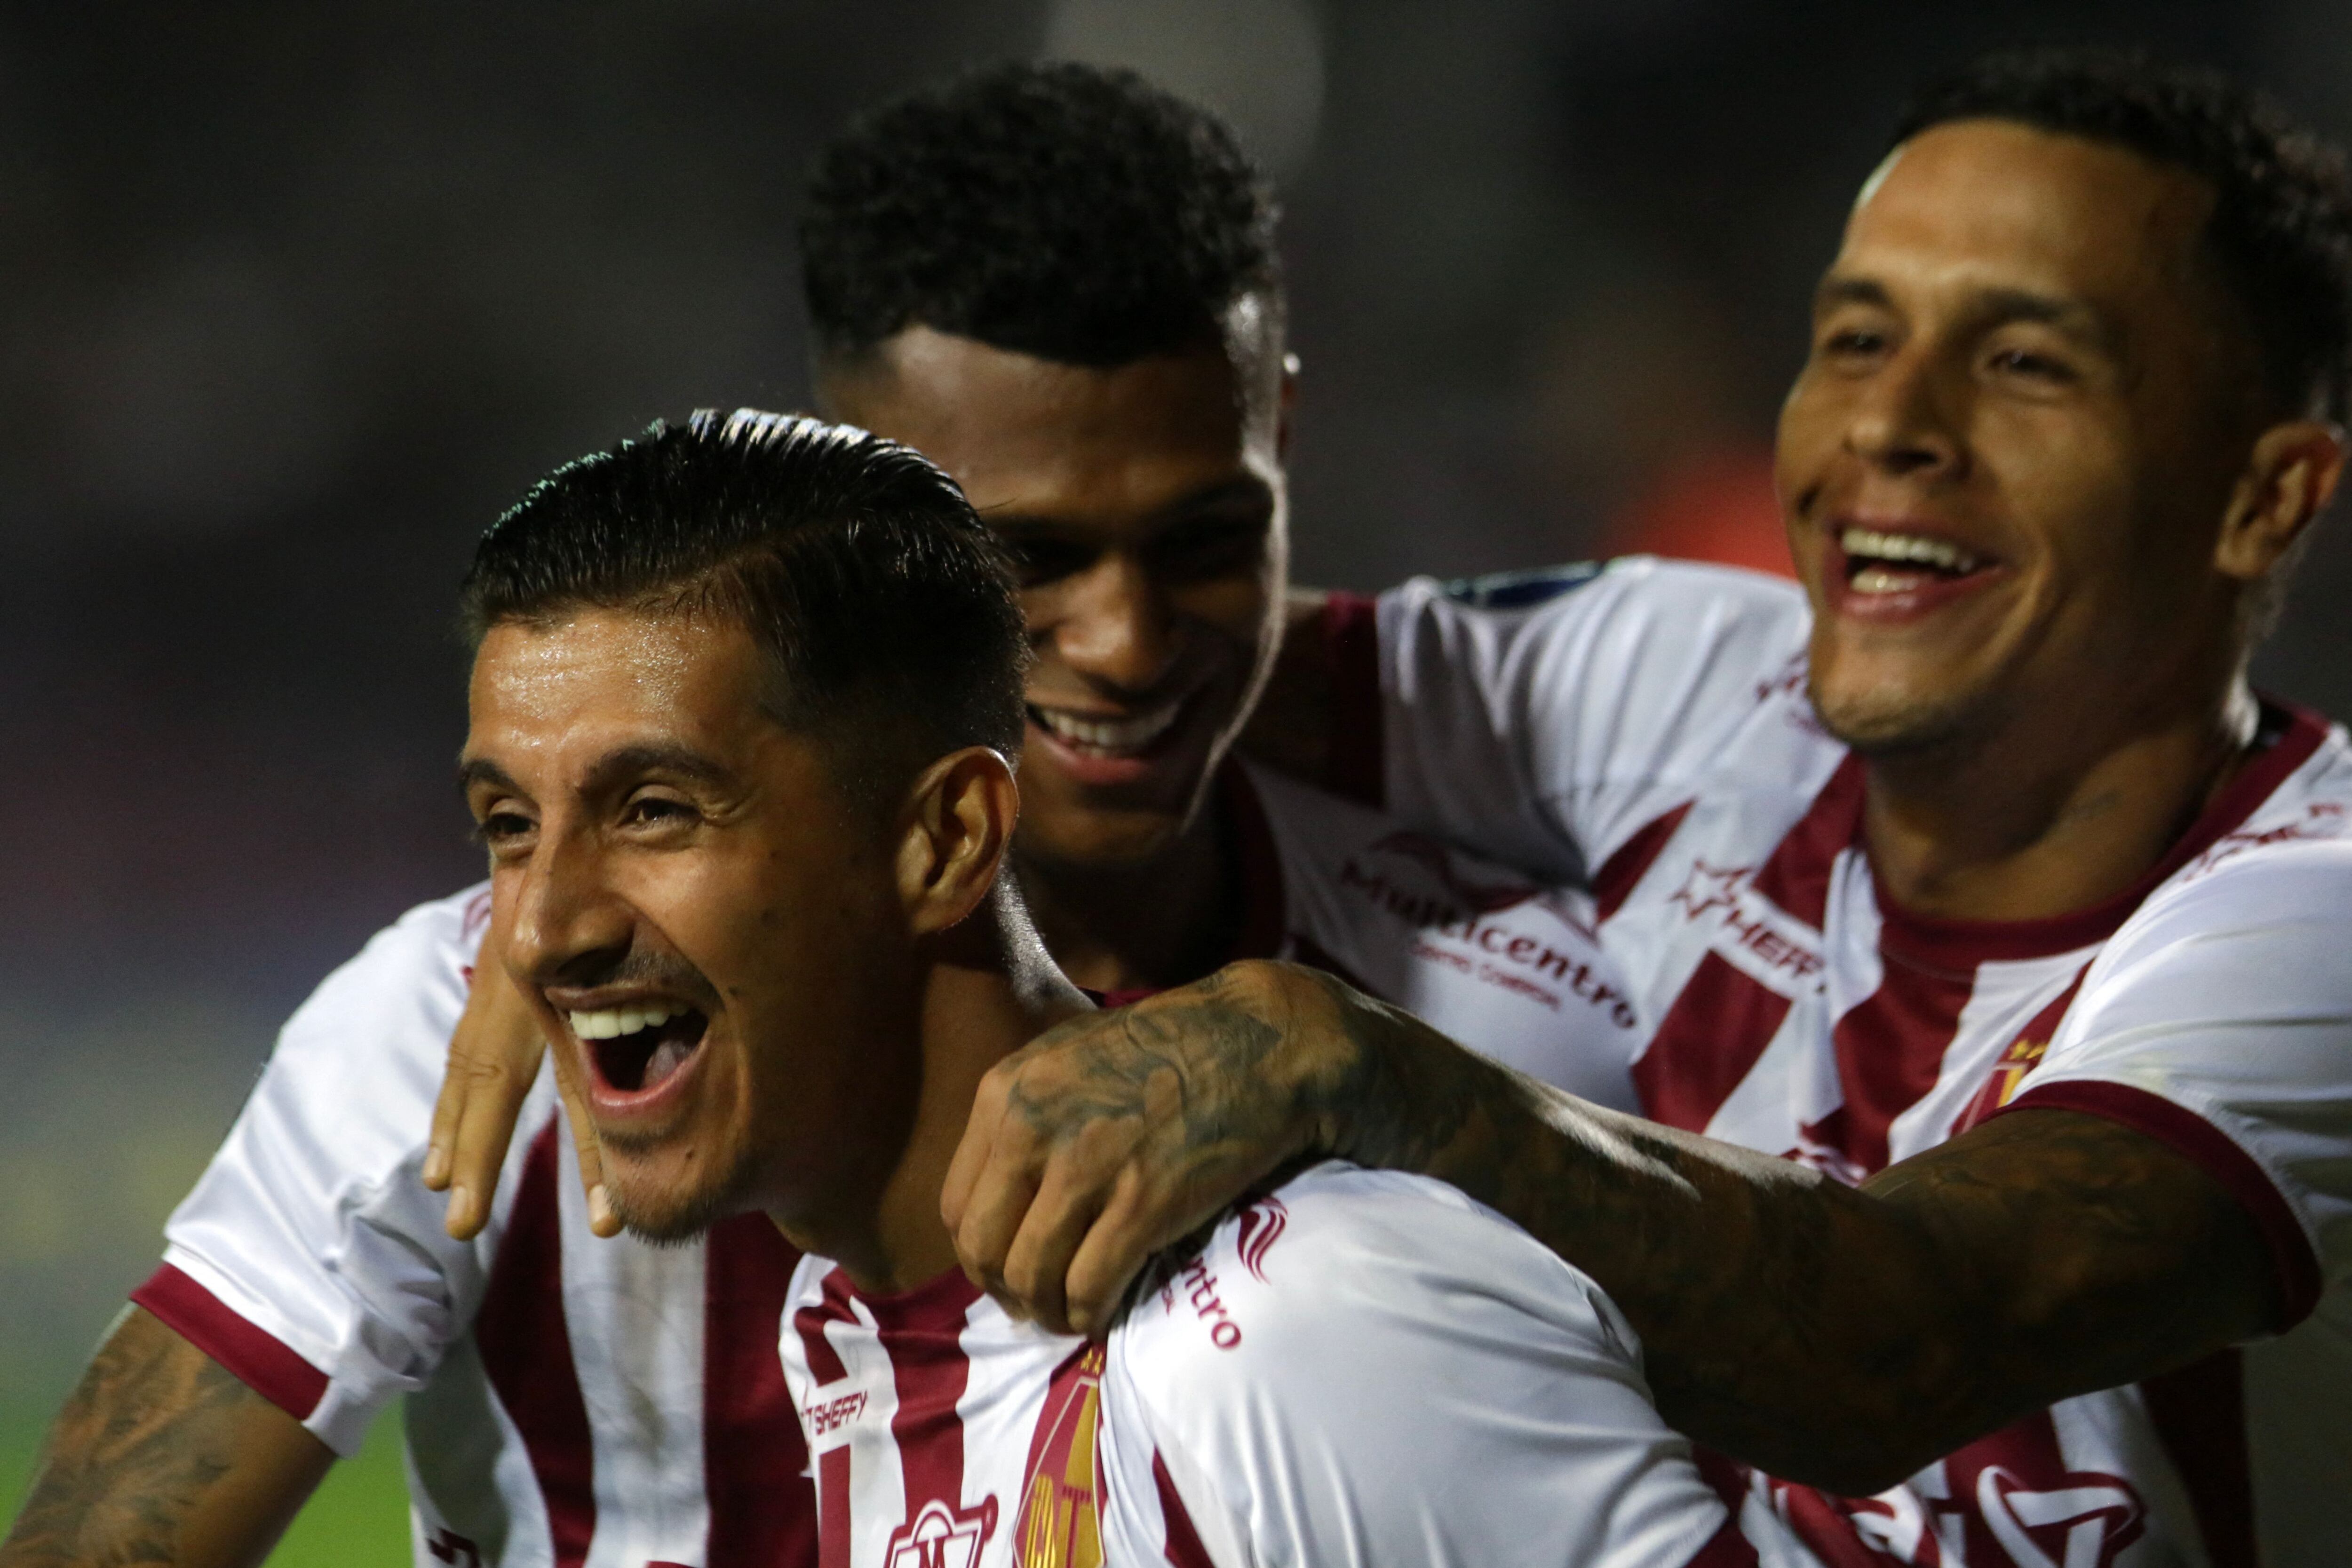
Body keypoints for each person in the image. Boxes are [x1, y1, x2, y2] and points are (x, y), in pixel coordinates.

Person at [2, 64, 1636, 1568]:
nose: (1123, 644)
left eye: (1198, 539)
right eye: (1025, 559)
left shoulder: (1422, 1163)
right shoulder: (433, 1070)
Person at [943, 49, 2352, 1567]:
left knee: (1297, 1312)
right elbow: (1124, 656)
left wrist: (1364, 1069)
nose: (1891, 425)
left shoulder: (2307, 899)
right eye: (1859, 338)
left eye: (2024, 364)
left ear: (2262, 497)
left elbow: (1907, 1339)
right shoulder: (1697, 683)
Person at [461, 406, 1807, 1568]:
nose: (540, 935)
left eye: (654, 810)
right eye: (511, 825)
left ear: (941, 842)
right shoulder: (853, 1329)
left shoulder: (1300, 1326)